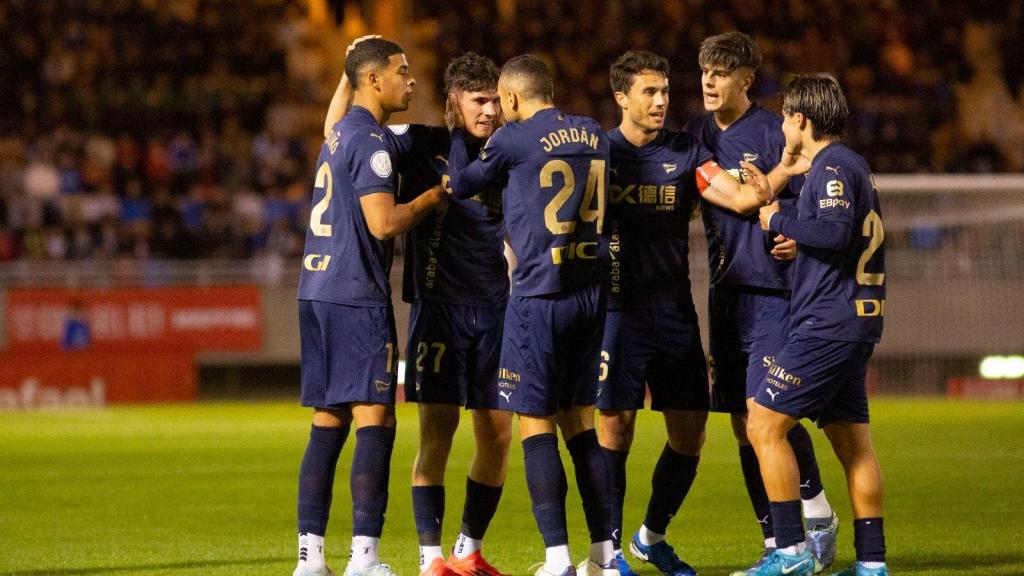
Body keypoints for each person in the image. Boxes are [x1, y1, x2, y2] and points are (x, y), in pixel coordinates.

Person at [597, 50, 787, 576]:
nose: (661, 101)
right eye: (649, 93)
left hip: (675, 314)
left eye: (664, 91)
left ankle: (651, 537)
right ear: (621, 98)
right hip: (616, 314)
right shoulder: (597, 155)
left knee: (690, 433)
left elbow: (742, 201)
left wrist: (789, 167)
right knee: (615, 428)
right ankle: (607, 555)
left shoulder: (685, 152)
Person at [446, 54, 615, 576]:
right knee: (581, 425)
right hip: (591, 297)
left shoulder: (512, 140)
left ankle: (557, 559)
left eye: (501, 100)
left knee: (535, 423)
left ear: (513, 99)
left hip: (539, 298)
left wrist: (457, 132)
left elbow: (462, 183)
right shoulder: (594, 133)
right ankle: (604, 558)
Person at [684, 32, 838, 575]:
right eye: (705, 68)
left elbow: (814, 200)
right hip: (726, 294)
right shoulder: (695, 136)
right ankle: (776, 540)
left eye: (721, 71)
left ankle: (811, 520)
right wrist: (775, 184)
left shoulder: (778, 131)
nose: (708, 79)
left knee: (766, 415)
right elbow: (734, 195)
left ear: (746, 79)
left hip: (775, 291)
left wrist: (799, 234)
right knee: (739, 422)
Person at [293, 38, 447, 576]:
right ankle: (365, 556)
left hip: (314, 291)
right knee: (376, 417)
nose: (410, 80)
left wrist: (344, 69)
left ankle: (309, 558)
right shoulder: (375, 143)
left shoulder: (339, 133)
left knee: (327, 420)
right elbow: (383, 223)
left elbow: (338, 108)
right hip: (356, 294)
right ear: (373, 81)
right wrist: (432, 199)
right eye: (401, 71)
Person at [746, 74, 888, 576]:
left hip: (826, 324)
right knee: (854, 446)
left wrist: (776, 221)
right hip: (857, 322)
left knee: (763, 424)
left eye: (785, 116)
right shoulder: (851, 166)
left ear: (800, 119)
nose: (782, 125)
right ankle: (872, 564)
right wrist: (791, 218)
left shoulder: (831, 164)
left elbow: (832, 230)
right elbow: (835, 233)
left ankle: (789, 552)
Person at [392, 54, 512, 576]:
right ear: (453, 103)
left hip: (498, 311)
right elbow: (343, 133)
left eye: (494, 101)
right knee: (436, 435)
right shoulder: (421, 144)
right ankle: (430, 558)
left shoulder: (513, 152)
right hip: (438, 312)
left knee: (498, 434)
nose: (488, 111)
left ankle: (469, 548)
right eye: (478, 101)